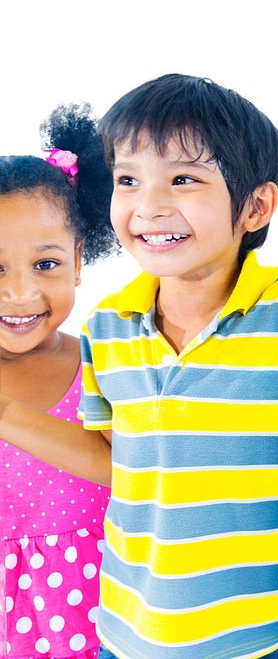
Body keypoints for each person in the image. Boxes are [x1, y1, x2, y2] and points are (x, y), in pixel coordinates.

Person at [0, 74, 278, 659]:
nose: (149, 205)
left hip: (260, 638)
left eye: (183, 179)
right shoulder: (109, 328)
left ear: (256, 206)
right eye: (129, 180)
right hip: (126, 636)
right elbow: (113, 462)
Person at [0, 104, 117, 659]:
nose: (19, 294)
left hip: (108, 616)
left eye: (44, 265)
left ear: (77, 259)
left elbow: (134, 472)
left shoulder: (106, 361)